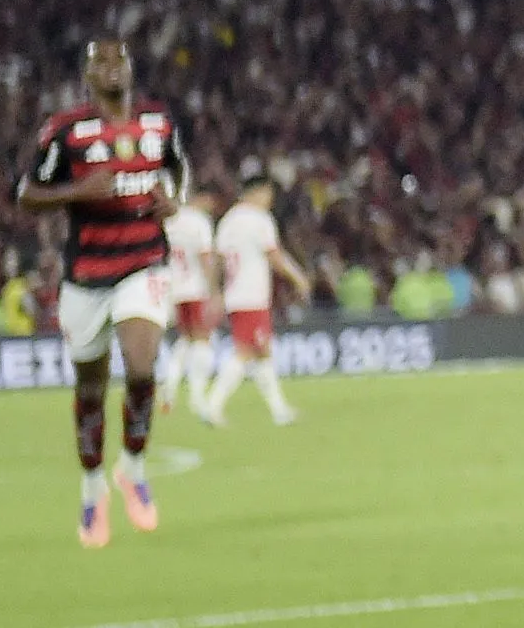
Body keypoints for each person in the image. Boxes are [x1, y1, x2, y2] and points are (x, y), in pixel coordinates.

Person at [16, 37, 190, 547]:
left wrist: (173, 199)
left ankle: (132, 468)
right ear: (88, 76)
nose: (112, 68)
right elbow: (25, 193)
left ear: (132, 70)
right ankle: (93, 486)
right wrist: (76, 192)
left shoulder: (159, 123)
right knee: (90, 388)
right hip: (87, 275)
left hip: (144, 263)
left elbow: (178, 170)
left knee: (141, 367)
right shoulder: (65, 131)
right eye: (101, 62)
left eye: (120, 60)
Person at [202, 174, 312, 426]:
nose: (269, 201)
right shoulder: (259, 220)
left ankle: (279, 411)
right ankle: (212, 405)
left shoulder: (228, 221)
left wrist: (215, 292)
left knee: (263, 352)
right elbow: (274, 256)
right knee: (245, 352)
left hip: (235, 294)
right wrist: (298, 277)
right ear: (258, 192)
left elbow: (217, 261)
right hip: (252, 295)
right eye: (268, 195)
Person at [163, 187, 221, 415]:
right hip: (196, 289)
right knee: (203, 341)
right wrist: (214, 291)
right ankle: (198, 397)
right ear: (202, 198)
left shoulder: (170, 221)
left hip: (174, 290)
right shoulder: (199, 222)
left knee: (186, 340)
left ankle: (169, 389)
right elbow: (205, 257)